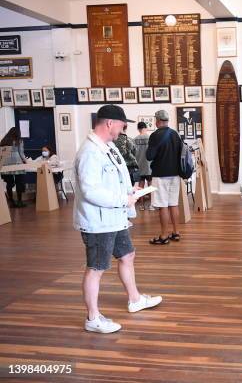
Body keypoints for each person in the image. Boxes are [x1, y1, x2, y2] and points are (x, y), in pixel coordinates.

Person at [74, 104, 162, 334]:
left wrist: (130, 190)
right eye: (123, 124)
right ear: (109, 123)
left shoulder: (108, 146)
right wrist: (122, 199)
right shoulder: (89, 152)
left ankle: (134, 299)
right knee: (96, 267)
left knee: (128, 255)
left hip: (115, 217)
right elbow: (90, 190)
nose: (124, 128)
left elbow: (115, 178)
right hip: (99, 221)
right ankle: (92, 318)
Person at [146, 109, 182, 245]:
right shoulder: (175, 134)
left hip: (160, 174)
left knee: (162, 206)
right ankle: (176, 232)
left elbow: (149, 156)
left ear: (158, 121)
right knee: (173, 203)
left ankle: (163, 236)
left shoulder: (155, 135)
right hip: (175, 174)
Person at [0, 127, 27, 208]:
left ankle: (11, 202)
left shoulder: (3, 141)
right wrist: (26, 161)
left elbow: (1, 154)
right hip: (17, 162)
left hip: (5, 164)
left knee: (9, 183)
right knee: (19, 182)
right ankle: (19, 201)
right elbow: (21, 153)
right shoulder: (19, 141)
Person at [133, 122, 154, 211]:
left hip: (139, 165)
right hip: (149, 165)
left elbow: (133, 153)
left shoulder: (134, 140)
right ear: (145, 128)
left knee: (140, 187)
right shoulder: (150, 138)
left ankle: (141, 206)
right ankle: (151, 205)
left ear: (138, 129)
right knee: (150, 185)